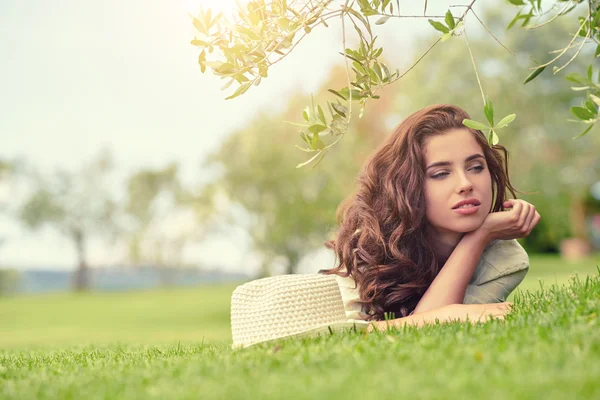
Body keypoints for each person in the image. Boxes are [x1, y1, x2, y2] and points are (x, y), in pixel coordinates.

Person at [319, 104, 541, 332]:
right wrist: (481, 235)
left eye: (476, 167)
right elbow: (359, 333)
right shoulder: (369, 245)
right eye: (441, 174)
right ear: (407, 185)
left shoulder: (505, 259)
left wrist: (480, 236)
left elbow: (444, 326)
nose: (465, 184)